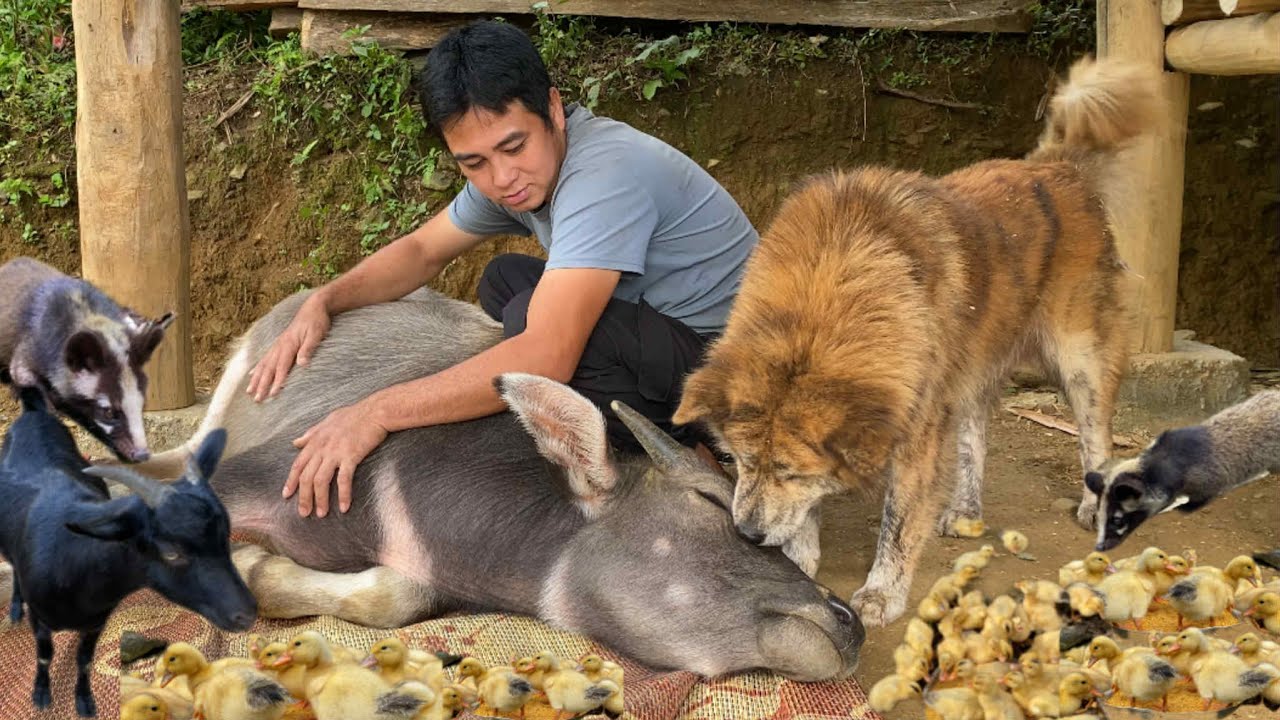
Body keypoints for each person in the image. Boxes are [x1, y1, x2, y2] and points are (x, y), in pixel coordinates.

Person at [247, 20, 758, 518]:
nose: (502, 177)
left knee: (542, 339)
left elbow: (547, 357)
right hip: (670, 337)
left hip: (741, 376)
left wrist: (374, 412)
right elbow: (423, 251)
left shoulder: (606, 174)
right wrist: (325, 300)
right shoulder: (518, 175)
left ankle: (703, 450)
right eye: (474, 163)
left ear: (554, 109)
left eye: (514, 147)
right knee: (505, 281)